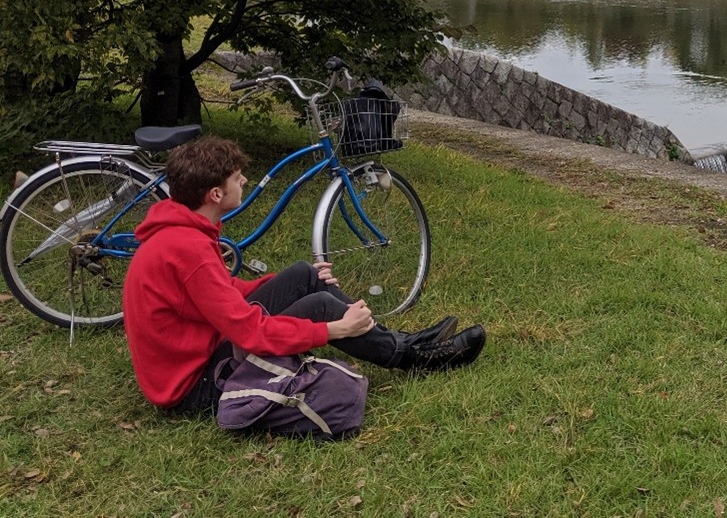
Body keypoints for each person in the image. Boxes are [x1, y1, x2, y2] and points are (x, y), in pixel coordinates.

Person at [122, 135, 485, 415]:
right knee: (323, 307)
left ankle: (407, 344)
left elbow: (220, 291)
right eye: (237, 178)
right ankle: (413, 358)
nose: (245, 179)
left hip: (201, 352)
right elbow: (250, 332)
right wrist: (331, 330)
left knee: (303, 275)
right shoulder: (188, 248)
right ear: (216, 193)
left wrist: (275, 284)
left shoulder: (181, 230)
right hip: (195, 385)